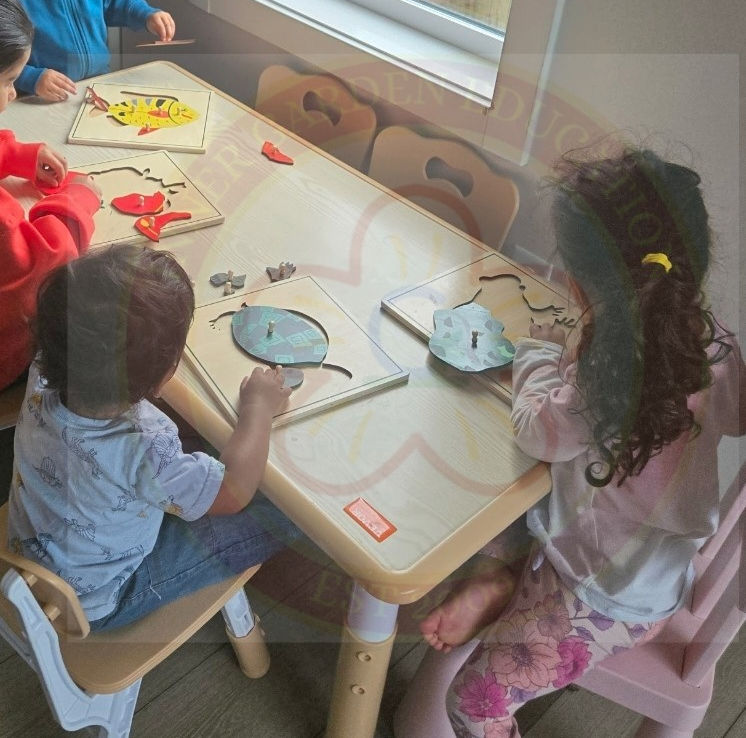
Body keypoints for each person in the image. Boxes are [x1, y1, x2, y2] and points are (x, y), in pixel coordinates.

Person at [418, 146, 746, 737]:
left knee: (474, 704)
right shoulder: (716, 346)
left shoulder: (605, 372)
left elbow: (537, 431)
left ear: (577, 283)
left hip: (601, 596)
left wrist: (540, 353)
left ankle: (503, 581)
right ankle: (499, 580)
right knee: (516, 498)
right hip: (641, 562)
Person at [7, 243, 301, 631]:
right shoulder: (145, 441)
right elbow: (232, 494)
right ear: (164, 377)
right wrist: (257, 410)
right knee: (284, 510)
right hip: (100, 598)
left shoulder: (43, 370)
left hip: (30, 555)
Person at [0, 0, 101, 391]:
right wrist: (77, 201)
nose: (12, 94)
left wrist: (15, 155)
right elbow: (43, 266)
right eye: (9, 81)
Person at [16, 0, 176, 101]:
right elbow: (5, 60)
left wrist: (146, 14)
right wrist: (30, 77)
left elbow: (117, 4)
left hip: (99, 83)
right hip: (41, 95)